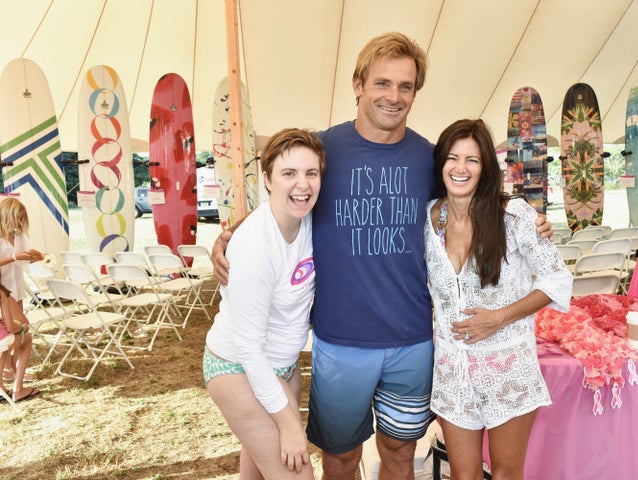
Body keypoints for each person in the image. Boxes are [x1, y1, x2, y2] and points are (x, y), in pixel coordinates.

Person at [212, 32, 554, 480]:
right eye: (382, 83)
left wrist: (523, 215)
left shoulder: (428, 158)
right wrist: (228, 237)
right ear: (358, 84)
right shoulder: (322, 151)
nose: (394, 97)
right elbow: (282, 200)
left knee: (399, 454)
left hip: (413, 342)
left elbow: (471, 191)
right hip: (339, 343)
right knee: (340, 459)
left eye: (406, 86)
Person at [425, 118, 572, 479]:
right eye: (452, 158)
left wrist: (499, 316)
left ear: (486, 167)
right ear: (441, 164)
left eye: (472, 160)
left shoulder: (515, 216)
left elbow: (558, 279)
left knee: (506, 473)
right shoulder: (427, 219)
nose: (461, 168)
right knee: (463, 475)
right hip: (452, 371)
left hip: (507, 368)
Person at [204, 128, 326, 479]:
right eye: (289, 173)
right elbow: (248, 348)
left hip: (284, 369)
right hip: (238, 368)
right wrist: (289, 426)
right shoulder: (256, 248)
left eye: (311, 173)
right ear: (268, 178)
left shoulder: (310, 219)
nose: (302, 185)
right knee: (297, 474)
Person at [0, 197, 43, 402]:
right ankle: (17, 386)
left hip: (16, 289)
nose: (19, 222)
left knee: (12, 336)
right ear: (7, 215)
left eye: (22, 218)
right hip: (3, 293)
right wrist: (14, 257)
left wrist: (34, 256)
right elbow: (11, 259)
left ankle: (12, 373)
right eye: (18, 217)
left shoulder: (17, 236)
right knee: (23, 333)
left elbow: (24, 257)